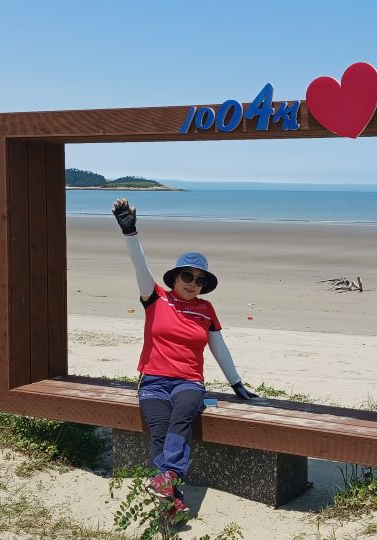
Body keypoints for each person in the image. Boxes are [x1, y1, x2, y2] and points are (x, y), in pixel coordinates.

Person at [111, 198, 259, 523]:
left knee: (180, 421)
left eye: (199, 280)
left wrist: (236, 384)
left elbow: (219, 348)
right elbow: (140, 266)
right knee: (159, 431)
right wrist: (130, 233)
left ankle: (167, 484)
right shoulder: (156, 298)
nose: (193, 283)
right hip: (153, 381)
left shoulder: (206, 309)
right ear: (175, 277)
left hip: (188, 383)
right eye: (187, 276)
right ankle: (172, 500)